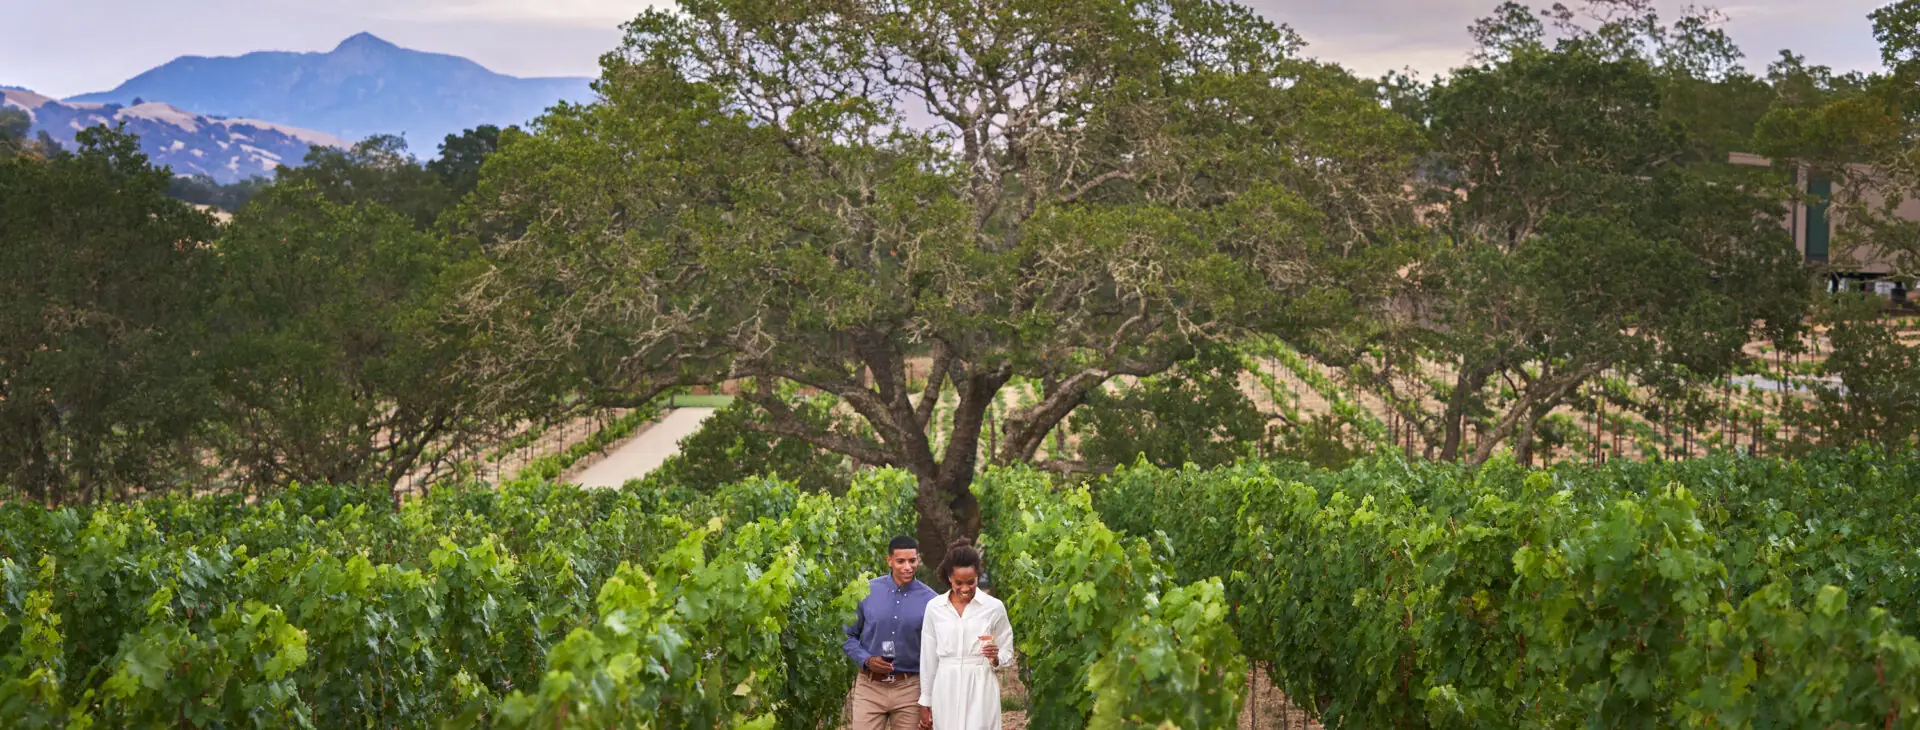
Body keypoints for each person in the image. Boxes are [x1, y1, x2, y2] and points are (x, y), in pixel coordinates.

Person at [917, 538, 1015, 730]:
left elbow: (1007, 651)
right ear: (949, 578)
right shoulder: (934, 608)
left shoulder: (994, 607)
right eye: (958, 583)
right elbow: (928, 659)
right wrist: (925, 701)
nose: (965, 589)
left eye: (971, 582)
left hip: (981, 686)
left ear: (978, 575)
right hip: (946, 685)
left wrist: (996, 658)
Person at [845, 535, 939, 730]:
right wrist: (867, 660)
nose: (907, 567)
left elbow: (936, 649)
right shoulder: (866, 591)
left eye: (912, 561)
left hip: (910, 689)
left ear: (918, 559)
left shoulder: (932, 601)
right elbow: (848, 636)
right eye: (901, 561)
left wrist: (929, 700)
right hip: (870, 687)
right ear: (889, 561)